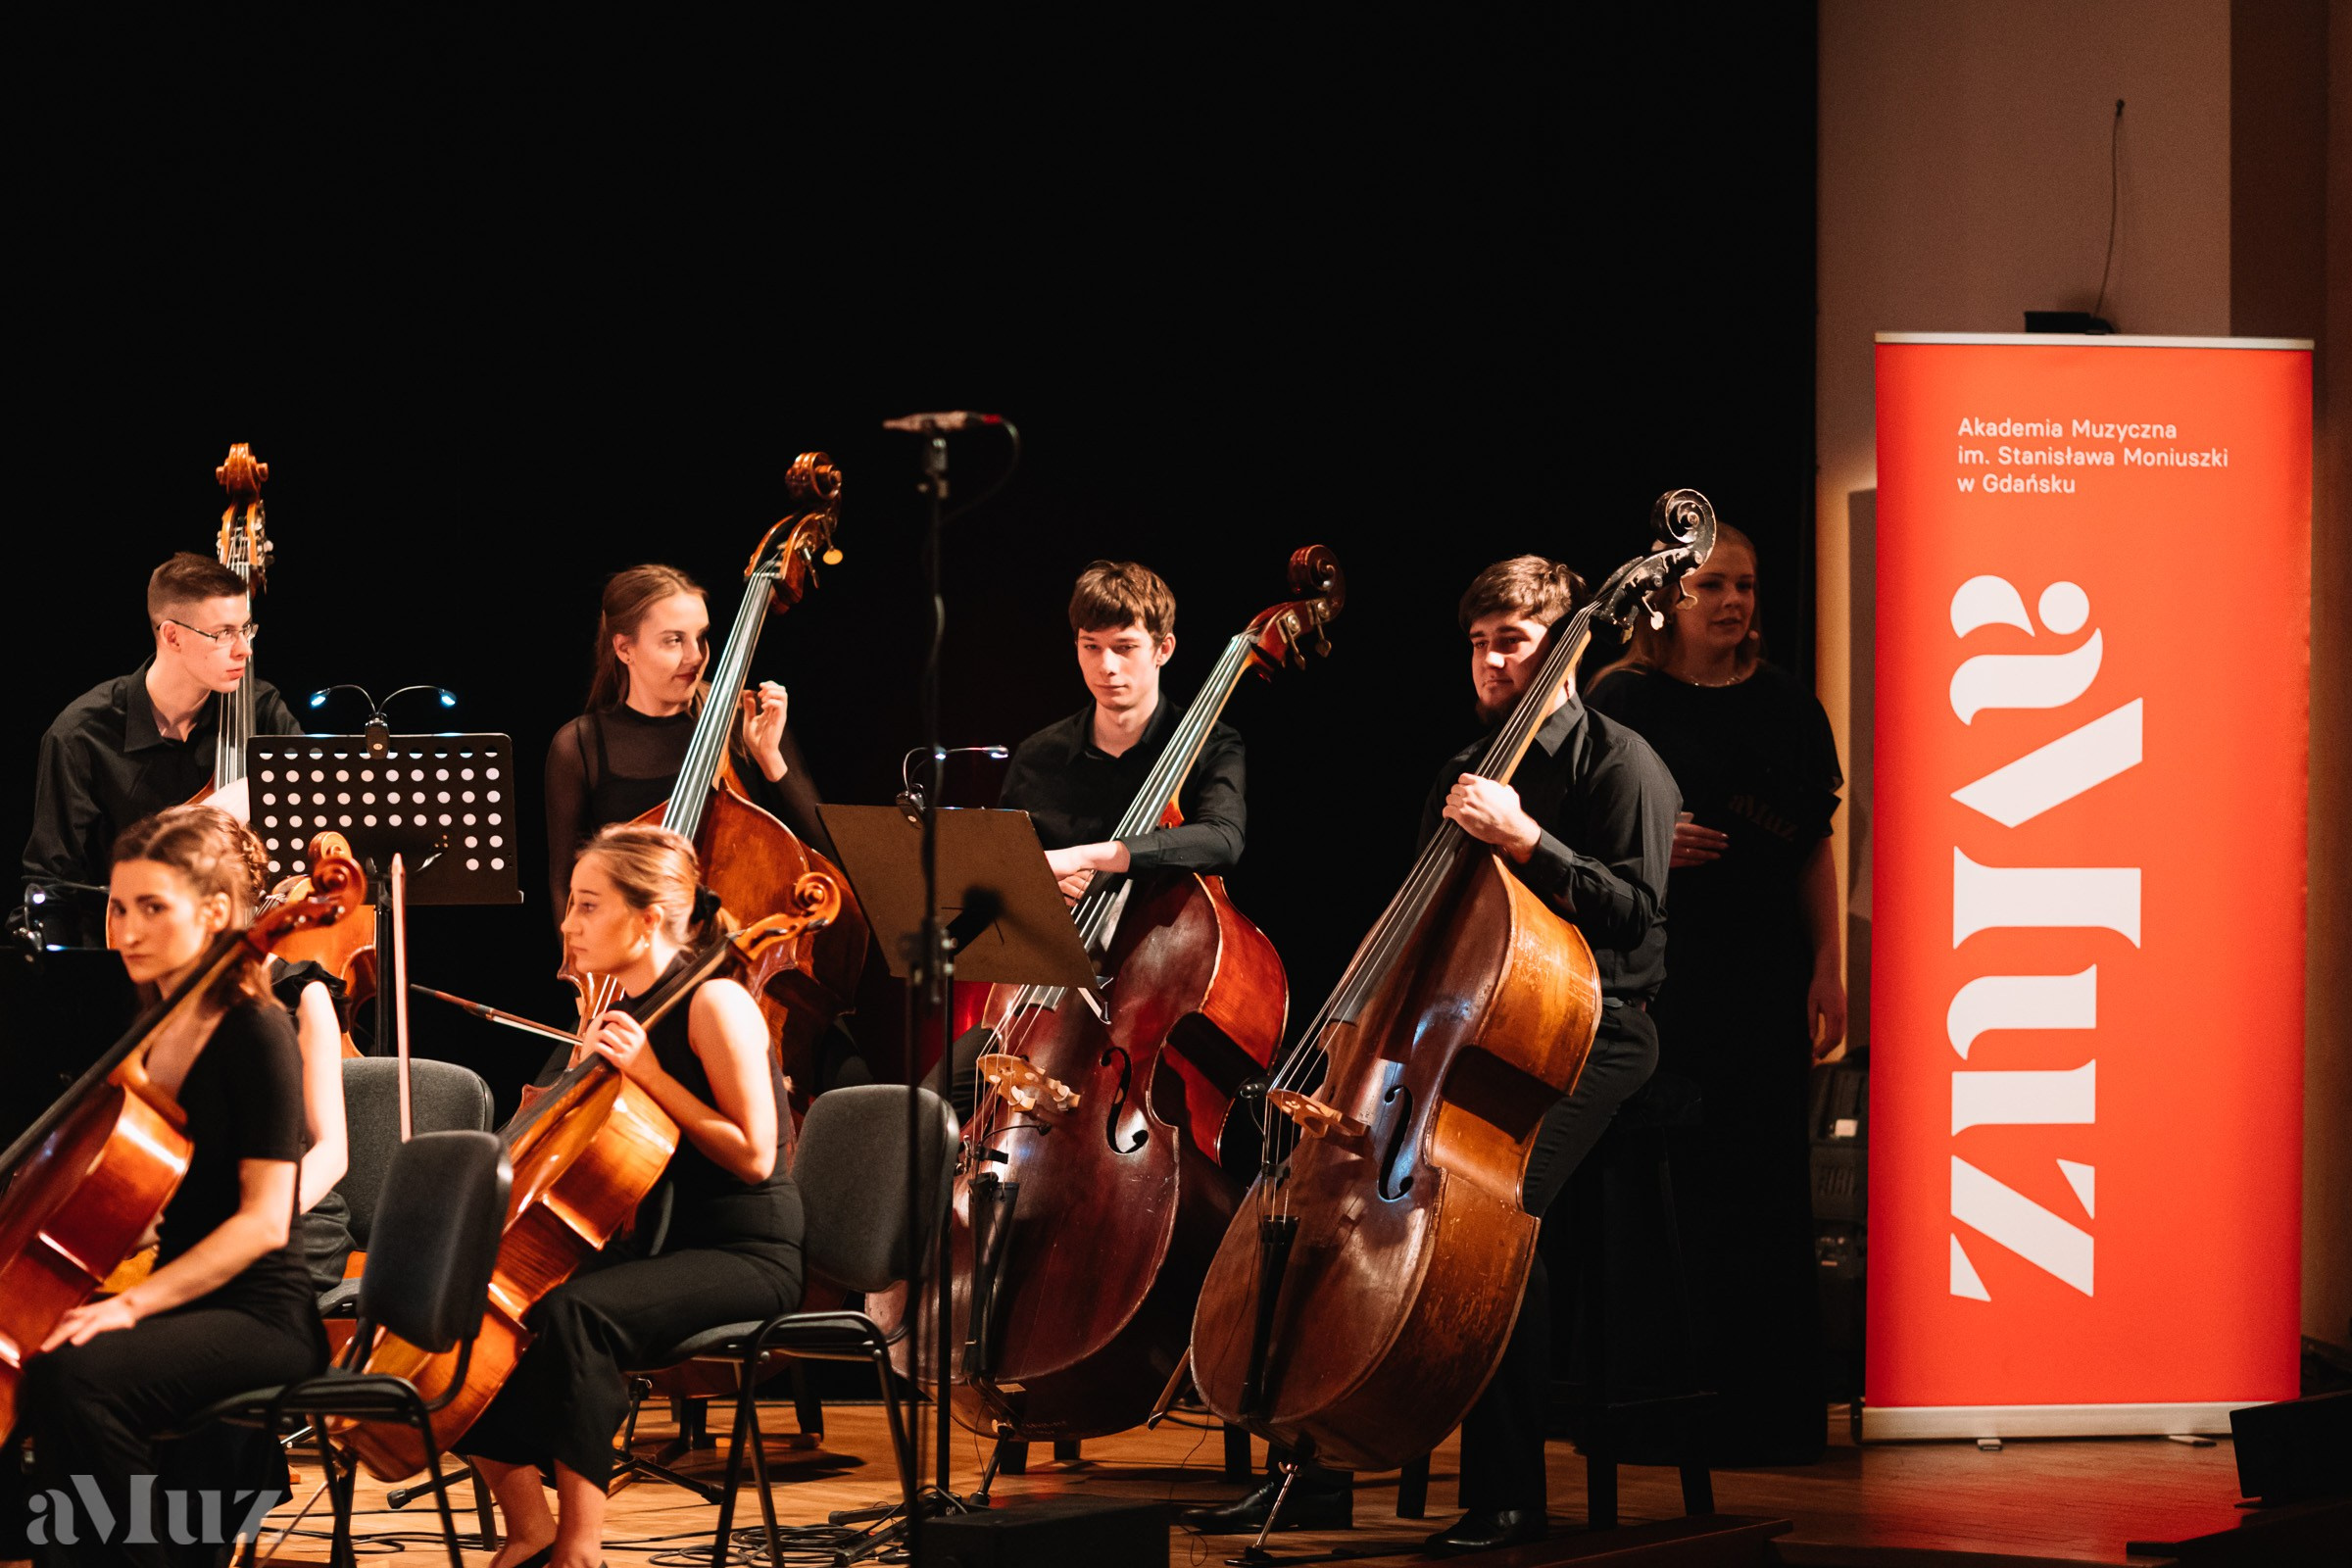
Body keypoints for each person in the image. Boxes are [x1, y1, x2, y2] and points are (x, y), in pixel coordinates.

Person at [1185, 556, 1677, 1551]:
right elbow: (1417, 931)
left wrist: (1530, 839)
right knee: (1324, 1199)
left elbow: (1637, 920)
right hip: (1472, 1032)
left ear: (1565, 651)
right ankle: (1312, 1459)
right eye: (1480, 644)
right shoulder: (1467, 771)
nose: (1494, 661)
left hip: (1598, 1031)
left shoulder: (1619, 764)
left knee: (1488, 1228)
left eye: (1514, 642)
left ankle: (1509, 1492)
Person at [458, 824, 803, 1568]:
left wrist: (646, 1072)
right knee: (465, 1303)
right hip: (656, 1244)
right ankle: (529, 1527)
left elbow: (754, 1155)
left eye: (587, 905)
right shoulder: (622, 1015)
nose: (567, 924)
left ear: (648, 919)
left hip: (745, 1250)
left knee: (578, 1315)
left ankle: (581, 1548)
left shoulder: (717, 1003)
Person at [7, 806, 329, 1568]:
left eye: (153, 908)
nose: (126, 931)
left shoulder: (257, 1030)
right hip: (186, 1291)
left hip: (262, 1314)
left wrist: (131, 1304)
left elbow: (262, 1224)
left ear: (216, 913)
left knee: (79, 1379)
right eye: (119, 908)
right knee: (49, 1363)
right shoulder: (157, 1019)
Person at [1586, 521, 1843, 1466]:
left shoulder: (1784, 703)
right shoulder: (1621, 698)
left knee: (1760, 1180)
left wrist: (1829, 966)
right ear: (1667, 600)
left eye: (1745, 586)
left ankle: (1767, 1418)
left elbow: (1812, 842)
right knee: (1664, 1190)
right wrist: (1653, 844)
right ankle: (1656, 1416)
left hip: (1763, 967)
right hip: (1658, 975)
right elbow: (1568, 841)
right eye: (1712, 588)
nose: (1733, 604)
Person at [928, 560, 1247, 1116]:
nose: (1107, 666)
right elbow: (986, 900)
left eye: (1125, 647)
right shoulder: (1039, 756)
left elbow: (1222, 839)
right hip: (1036, 1007)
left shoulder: (1211, 747)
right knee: (921, 1114)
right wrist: (1035, 887)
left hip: (1142, 1016)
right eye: (1090, 646)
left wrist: (1093, 855)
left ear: (1163, 649)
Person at [24, 555, 299, 933]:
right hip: (132, 951)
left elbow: (319, 793)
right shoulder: (81, 735)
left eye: (246, 629)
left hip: (258, 938)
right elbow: (52, 884)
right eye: (224, 634)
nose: (244, 650)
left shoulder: (261, 709)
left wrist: (255, 789)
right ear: (172, 636)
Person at [542, 564, 819, 917]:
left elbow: (829, 856)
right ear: (625, 649)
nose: (696, 656)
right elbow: (563, 884)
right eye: (674, 640)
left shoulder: (746, 720)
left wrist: (770, 759)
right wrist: (583, 970)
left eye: (701, 636)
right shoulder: (578, 746)